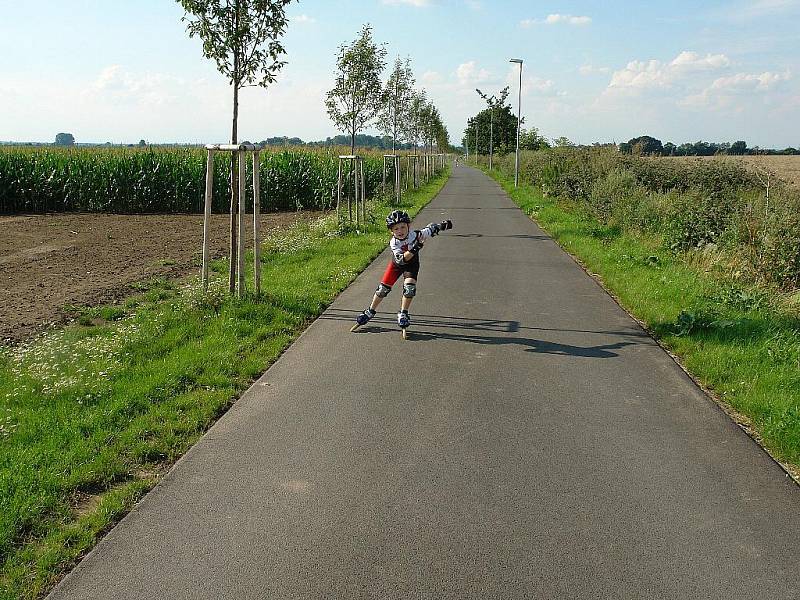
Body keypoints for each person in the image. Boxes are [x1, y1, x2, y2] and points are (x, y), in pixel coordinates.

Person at [353, 210, 453, 330]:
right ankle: (370, 311)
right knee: (382, 290)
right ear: (391, 231)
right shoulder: (394, 243)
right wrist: (417, 247)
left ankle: (403, 313)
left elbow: (431, 229)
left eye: (402, 227)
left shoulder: (415, 235)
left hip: (412, 266)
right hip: (397, 265)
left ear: (408, 226)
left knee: (409, 289)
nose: (400, 231)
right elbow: (401, 260)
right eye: (396, 229)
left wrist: (442, 226)